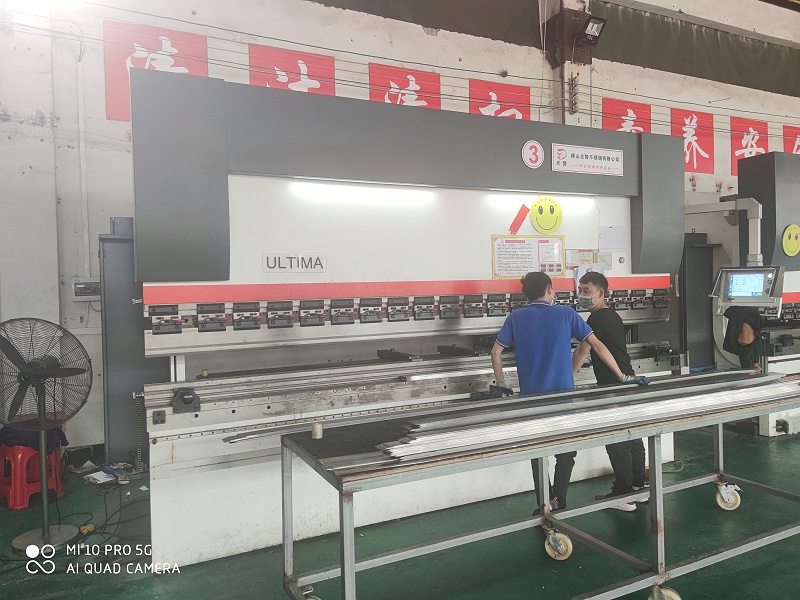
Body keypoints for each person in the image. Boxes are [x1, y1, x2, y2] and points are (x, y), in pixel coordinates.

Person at [490, 271, 641, 513]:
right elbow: (596, 346)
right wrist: (622, 376)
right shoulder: (566, 313)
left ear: (527, 294)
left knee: (538, 452)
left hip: (531, 399)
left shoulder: (515, 317)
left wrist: (501, 382)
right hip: (562, 398)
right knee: (566, 452)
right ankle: (558, 500)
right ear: (550, 289)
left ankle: (543, 502)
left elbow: (495, 352)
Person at [572, 271, 648, 512]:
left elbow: (583, 350)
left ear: (601, 293)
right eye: (580, 290)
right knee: (633, 436)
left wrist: (567, 378)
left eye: (587, 291)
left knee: (617, 440)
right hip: (627, 381)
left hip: (612, 386)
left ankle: (623, 494)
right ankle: (638, 486)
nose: (582, 295)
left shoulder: (596, 319)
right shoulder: (612, 315)